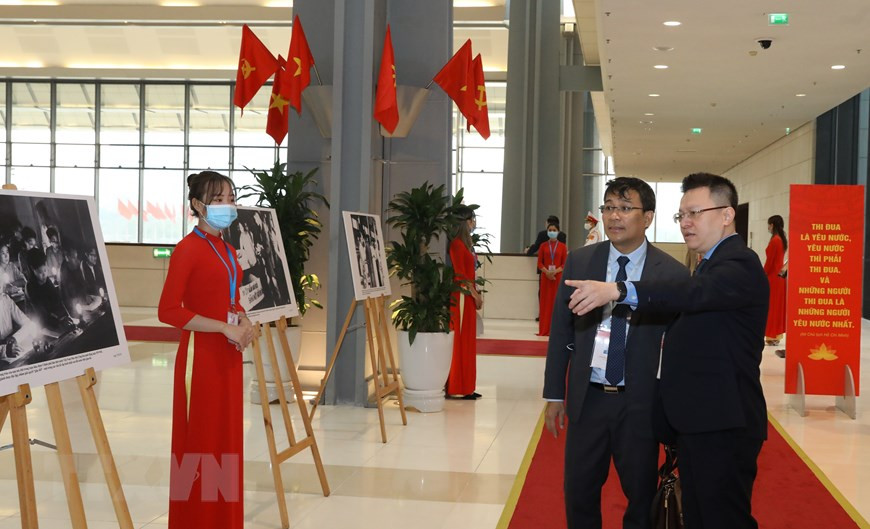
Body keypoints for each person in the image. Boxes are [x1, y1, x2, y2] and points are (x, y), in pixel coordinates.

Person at [566, 172, 768, 529]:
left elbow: (688, 295)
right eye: (681, 216)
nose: (686, 224)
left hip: (723, 423)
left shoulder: (740, 264)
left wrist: (617, 291)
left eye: (694, 213)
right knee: (701, 516)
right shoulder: (710, 263)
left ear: (726, 214)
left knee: (723, 518)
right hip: (698, 421)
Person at [543, 177, 687, 529]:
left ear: (648, 217)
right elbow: (561, 329)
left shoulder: (670, 273)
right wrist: (554, 396)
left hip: (639, 404)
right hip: (587, 400)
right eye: (609, 207)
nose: (614, 216)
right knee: (578, 493)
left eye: (625, 208)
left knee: (640, 495)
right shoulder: (579, 262)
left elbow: (680, 350)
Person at [158, 171, 255, 528]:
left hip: (227, 356)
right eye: (217, 200)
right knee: (198, 444)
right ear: (198, 206)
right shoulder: (187, 249)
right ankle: (193, 519)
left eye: (230, 198)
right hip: (200, 359)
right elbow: (168, 310)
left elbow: (228, 301)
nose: (226, 205)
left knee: (225, 443)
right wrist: (222, 326)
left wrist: (243, 321)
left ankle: (221, 518)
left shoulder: (228, 250)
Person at [447, 205, 483, 400]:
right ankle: (456, 385)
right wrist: (474, 294)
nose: (474, 222)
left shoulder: (465, 244)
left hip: (467, 296)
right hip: (460, 296)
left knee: (468, 341)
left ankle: (467, 385)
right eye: (471, 219)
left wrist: (475, 294)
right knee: (460, 341)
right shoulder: (456, 245)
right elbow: (460, 275)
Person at [536, 222, 567, 337]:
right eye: (550, 230)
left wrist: (555, 271)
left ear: (558, 232)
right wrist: (547, 272)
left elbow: (564, 264)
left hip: (557, 277)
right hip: (546, 277)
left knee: (556, 302)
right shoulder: (543, 245)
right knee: (545, 302)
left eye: (554, 230)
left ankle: (556, 330)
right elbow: (539, 263)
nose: (552, 232)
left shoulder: (563, 247)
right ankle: (544, 329)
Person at [764, 215, 787, 347]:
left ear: (772, 225)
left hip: (773, 277)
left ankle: (772, 335)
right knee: (777, 307)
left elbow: (770, 263)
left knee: (772, 307)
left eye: (769, 224)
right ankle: (775, 335)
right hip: (780, 277)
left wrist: (762, 274)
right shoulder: (781, 240)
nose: (768, 227)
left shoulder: (775, 241)